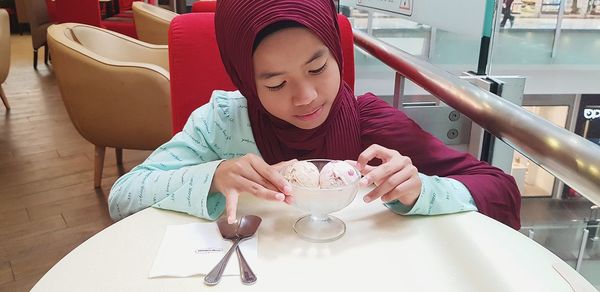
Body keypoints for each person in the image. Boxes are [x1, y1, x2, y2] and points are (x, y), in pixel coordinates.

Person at [108, 0, 521, 229]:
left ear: (336, 51)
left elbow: (498, 188)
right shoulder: (222, 123)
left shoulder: (370, 123)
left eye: (318, 68)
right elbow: (123, 197)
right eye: (275, 84)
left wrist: (420, 191)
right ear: (246, 81)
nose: (305, 98)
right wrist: (214, 174)